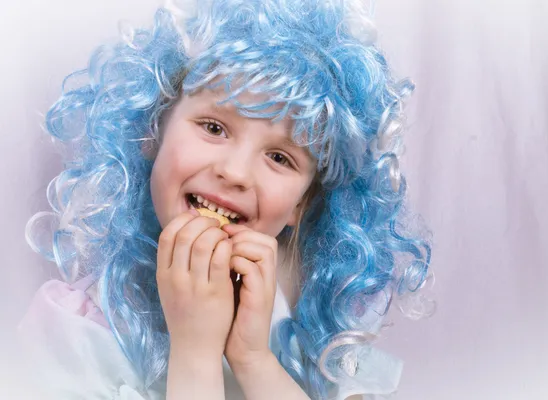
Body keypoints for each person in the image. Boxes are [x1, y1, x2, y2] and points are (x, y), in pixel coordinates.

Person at [18, 0, 432, 399]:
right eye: (214, 127)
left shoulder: (311, 331)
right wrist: (194, 354)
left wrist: (254, 360)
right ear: (153, 130)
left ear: (300, 205)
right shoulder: (75, 337)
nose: (234, 173)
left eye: (279, 157)